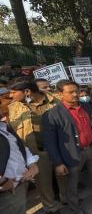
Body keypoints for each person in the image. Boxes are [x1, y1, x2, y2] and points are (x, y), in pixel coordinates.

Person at [42, 80, 92, 214]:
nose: (75, 94)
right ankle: (75, 209)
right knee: (72, 185)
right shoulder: (51, 114)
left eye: (76, 91)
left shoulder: (86, 107)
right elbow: (50, 142)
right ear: (60, 94)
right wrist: (58, 163)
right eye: (70, 92)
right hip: (71, 154)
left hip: (91, 149)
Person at [7, 80, 64, 213]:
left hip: (60, 148)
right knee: (43, 183)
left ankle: (67, 200)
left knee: (63, 177)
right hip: (36, 153)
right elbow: (13, 132)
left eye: (14, 92)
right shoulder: (13, 107)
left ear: (27, 92)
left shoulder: (57, 101)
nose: (10, 96)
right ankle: (51, 207)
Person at [0, 117, 39, 213]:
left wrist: (32, 164)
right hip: (6, 192)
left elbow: (20, 146)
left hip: (19, 185)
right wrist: (3, 183)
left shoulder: (4, 126)